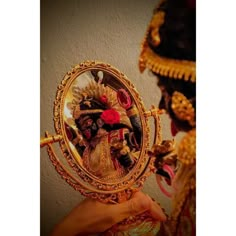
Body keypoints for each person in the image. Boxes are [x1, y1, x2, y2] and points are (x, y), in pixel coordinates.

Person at [51, 0, 196, 235]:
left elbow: (137, 143)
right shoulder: (88, 149)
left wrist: (130, 119)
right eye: (83, 126)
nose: (161, 104)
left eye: (165, 89)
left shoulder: (120, 134)